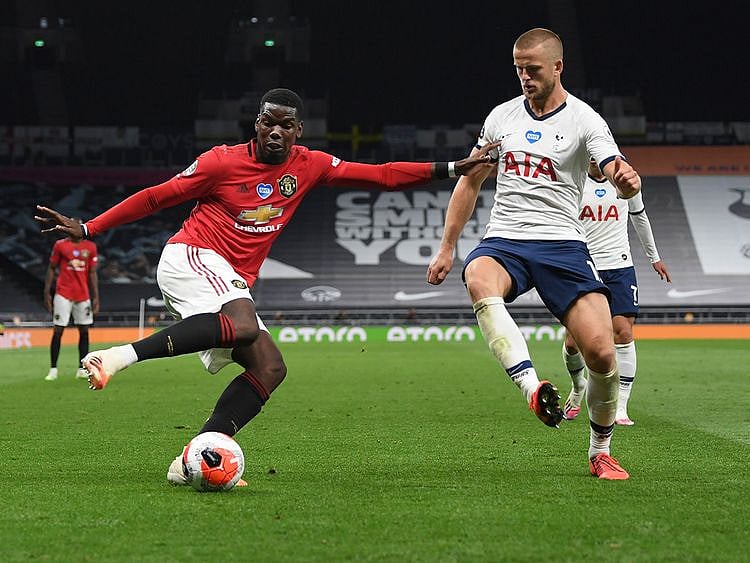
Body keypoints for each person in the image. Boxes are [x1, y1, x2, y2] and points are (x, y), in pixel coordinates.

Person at [35, 88, 497, 486]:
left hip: (228, 278)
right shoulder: (220, 162)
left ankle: (192, 457)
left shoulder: (310, 165)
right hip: (191, 257)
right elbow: (157, 195)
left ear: (299, 131)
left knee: (270, 367)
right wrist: (89, 227)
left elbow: (379, 174)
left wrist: (455, 166)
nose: (275, 132)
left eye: (286, 125)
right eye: (267, 123)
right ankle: (116, 356)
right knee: (241, 325)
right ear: (256, 124)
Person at [426, 29, 642, 480]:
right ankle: (530, 386)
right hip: (505, 239)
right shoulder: (500, 118)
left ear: (558, 67)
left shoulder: (585, 120)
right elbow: (470, 181)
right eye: (518, 69)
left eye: (533, 69)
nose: (524, 76)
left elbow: (609, 163)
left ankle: (599, 450)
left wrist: (621, 178)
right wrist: (447, 247)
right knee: (479, 275)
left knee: (602, 354)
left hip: (564, 244)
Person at [562, 158, 671, 425]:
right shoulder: (571, 179)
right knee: (573, 342)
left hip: (619, 265)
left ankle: (620, 406)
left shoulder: (624, 178)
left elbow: (640, 216)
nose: (594, 159)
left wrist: (653, 257)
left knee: (622, 332)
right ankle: (578, 386)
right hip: (583, 265)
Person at [43, 228, 99, 381]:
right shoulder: (60, 245)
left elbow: (92, 273)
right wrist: (47, 292)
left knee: (84, 331)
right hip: (63, 294)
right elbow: (52, 268)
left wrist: (96, 297)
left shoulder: (90, 247)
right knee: (58, 330)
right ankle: (53, 369)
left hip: (83, 295)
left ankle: (82, 369)